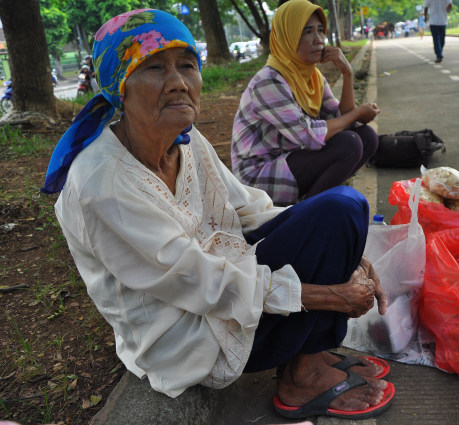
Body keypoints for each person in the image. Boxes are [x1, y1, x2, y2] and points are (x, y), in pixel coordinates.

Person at [41, 8, 394, 420]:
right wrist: (329, 296)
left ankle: (308, 357)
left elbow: (250, 207)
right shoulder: (102, 184)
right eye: (154, 68)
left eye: (187, 66)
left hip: (228, 280)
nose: (177, 83)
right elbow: (196, 279)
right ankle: (302, 379)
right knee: (340, 210)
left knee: (342, 210)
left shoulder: (185, 141)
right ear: (119, 86)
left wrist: (350, 253)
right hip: (186, 334)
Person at [231, 0, 380, 206]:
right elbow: (308, 135)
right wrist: (356, 114)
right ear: (288, 38)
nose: (318, 39)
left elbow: (343, 120)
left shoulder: (312, 76)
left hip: (291, 159)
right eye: (308, 32)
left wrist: (347, 74)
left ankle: (315, 202)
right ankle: (306, 215)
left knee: (367, 137)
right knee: (349, 144)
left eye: (320, 30)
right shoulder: (269, 81)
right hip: (258, 176)